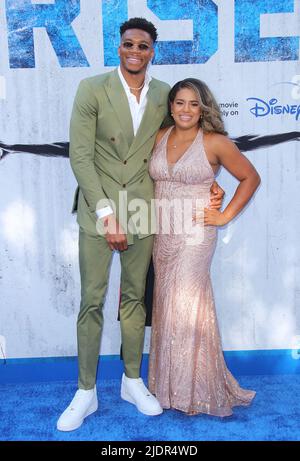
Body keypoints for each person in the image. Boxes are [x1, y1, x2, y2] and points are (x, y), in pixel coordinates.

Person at [57, 19, 224, 431]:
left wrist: (211, 186)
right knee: (92, 302)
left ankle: (132, 380)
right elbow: (81, 157)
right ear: (119, 47)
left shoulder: (167, 95)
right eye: (129, 44)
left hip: (145, 210)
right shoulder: (91, 89)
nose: (136, 51)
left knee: (135, 299)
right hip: (100, 208)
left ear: (153, 50)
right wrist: (105, 214)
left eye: (144, 46)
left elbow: (189, 141)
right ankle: (86, 391)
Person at [148, 78, 260, 417]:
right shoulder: (159, 137)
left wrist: (224, 215)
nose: (186, 110)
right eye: (180, 103)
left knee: (187, 306)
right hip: (162, 234)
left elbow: (250, 177)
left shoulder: (215, 142)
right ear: (170, 106)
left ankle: (194, 391)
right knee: (167, 305)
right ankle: (167, 388)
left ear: (203, 108)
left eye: (193, 104)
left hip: (196, 233)